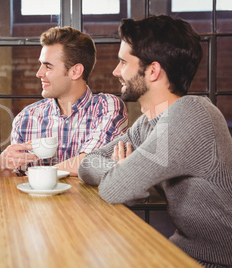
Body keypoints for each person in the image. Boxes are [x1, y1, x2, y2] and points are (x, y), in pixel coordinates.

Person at [77, 15, 232, 267]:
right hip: (179, 255)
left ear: (152, 70)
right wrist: (118, 170)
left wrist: (122, 175)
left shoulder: (191, 113)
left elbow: (115, 189)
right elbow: (88, 164)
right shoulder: (148, 124)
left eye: (123, 62)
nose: (116, 71)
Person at [0, 26, 128, 176]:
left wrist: (41, 173)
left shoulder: (107, 107)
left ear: (75, 71)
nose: (39, 73)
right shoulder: (26, 118)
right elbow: (13, 185)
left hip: (88, 200)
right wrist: (4, 167)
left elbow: (92, 161)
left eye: (48, 66)